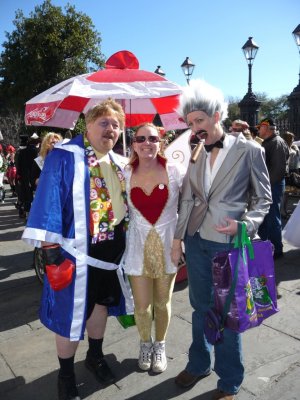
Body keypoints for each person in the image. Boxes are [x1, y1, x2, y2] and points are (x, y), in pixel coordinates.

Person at [22, 99, 131, 400]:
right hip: (75, 252)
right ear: (88, 124)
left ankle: (95, 356)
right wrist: (51, 254)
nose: (111, 129)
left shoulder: (121, 163)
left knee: (101, 305)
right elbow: (48, 204)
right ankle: (65, 374)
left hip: (112, 251)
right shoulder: (64, 156)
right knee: (69, 314)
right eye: (104, 122)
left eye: (116, 124)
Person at [170, 79, 272, 400]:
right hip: (196, 239)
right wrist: (177, 240)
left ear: (217, 115)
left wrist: (246, 225)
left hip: (228, 243)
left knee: (229, 313)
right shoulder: (196, 152)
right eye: (189, 123)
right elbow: (187, 199)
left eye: (199, 120)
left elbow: (263, 199)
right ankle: (199, 363)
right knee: (199, 307)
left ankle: (228, 379)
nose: (194, 128)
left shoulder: (250, 149)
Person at [123, 123, 186, 374]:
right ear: (134, 143)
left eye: (152, 138)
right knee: (141, 306)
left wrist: (179, 241)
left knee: (162, 303)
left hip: (168, 245)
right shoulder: (124, 173)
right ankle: (145, 343)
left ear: (160, 141)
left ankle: (159, 345)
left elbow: (192, 203)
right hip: (137, 246)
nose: (147, 143)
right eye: (141, 138)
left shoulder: (175, 170)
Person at [257, 118, 290, 259]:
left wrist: (265, 187)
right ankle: (265, 247)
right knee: (266, 217)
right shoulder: (270, 141)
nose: (258, 129)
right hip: (269, 184)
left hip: (273, 185)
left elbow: (277, 170)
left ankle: (276, 249)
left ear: (268, 127)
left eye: (261, 127)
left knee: (272, 217)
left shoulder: (276, 142)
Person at [17, 134, 40, 218]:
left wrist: (19, 176)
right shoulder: (36, 152)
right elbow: (37, 166)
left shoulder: (21, 152)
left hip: (24, 177)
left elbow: (18, 166)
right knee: (34, 196)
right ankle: (33, 214)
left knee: (26, 195)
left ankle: (27, 214)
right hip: (33, 177)